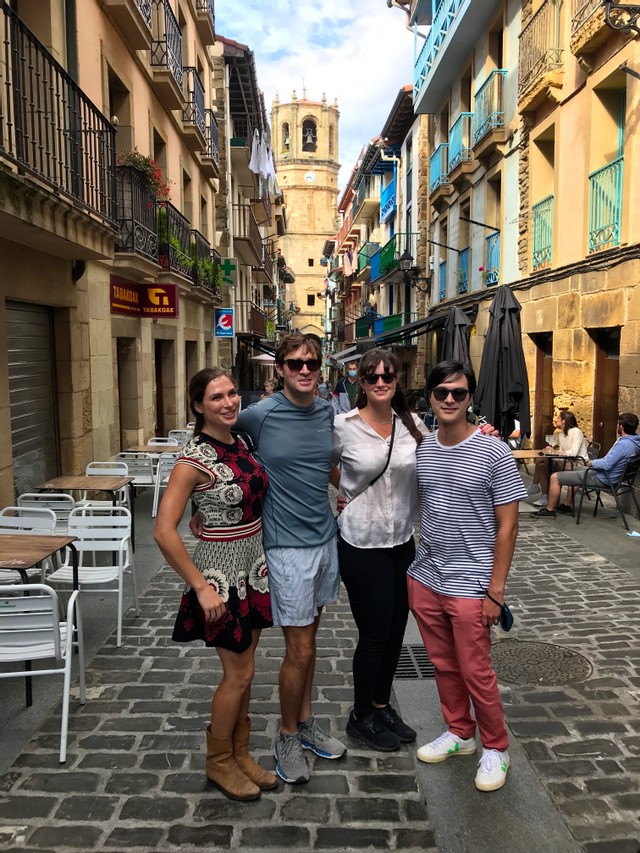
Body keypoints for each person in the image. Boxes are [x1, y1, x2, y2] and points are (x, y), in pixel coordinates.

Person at [154, 368, 276, 801]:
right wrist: (201, 587)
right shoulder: (193, 460)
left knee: (246, 672)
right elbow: (163, 531)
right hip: (221, 577)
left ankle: (240, 754)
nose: (228, 403)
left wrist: (207, 513)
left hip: (253, 570)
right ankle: (219, 761)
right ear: (198, 406)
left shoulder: (238, 441)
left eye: (230, 394)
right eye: (216, 397)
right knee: (237, 674)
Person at [407, 360, 527, 793]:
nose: (451, 400)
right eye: (442, 392)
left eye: (459, 393)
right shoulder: (423, 448)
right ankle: (459, 732)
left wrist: (495, 592)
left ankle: (496, 746)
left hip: (472, 585)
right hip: (426, 578)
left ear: (470, 398)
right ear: (431, 398)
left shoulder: (494, 451)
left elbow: (509, 526)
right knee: (442, 665)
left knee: (476, 670)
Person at [235, 333, 346, 785]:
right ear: (279, 368)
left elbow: (337, 461)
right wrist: (209, 510)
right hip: (285, 548)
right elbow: (211, 443)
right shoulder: (259, 415)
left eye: (312, 363)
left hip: (325, 541)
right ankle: (285, 734)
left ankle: (304, 723)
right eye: (295, 363)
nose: (305, 370)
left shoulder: (327, 412)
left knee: (310, 645)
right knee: (298, 648)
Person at [332, 349, 428, 751]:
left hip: (402, 541)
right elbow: (324, 464)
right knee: (373, 634)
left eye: (388, 376)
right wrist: (345, 492)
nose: (381, 382)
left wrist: (486, 436)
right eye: (372, 377)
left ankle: (381, 704)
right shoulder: (343, 426)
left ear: (396, 380)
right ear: (362, 382)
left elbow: (443, 453)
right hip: (361, 541)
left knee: (394, 633)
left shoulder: (414, 424)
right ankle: (360, 716)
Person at [534, 412, 640, 518]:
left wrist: (592, 462)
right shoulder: (634, 442)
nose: (616, 426)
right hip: (607, 476)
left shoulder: (623, 445)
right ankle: (566, 506)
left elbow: (606, 464)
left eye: (617, 424)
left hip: (602, 478)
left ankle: (549, 510)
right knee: (574, 469)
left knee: (555, 477)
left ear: (621, 427)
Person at [528, 411, 587, 509]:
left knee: (542, 460)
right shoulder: (562, 434)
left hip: (578, 463)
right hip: (567, 461)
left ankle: (535, 486)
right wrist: (553, 451)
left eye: (558, 418)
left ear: (564, 421)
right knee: (541, 464)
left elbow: (573, 452)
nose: (556, 420)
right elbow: (563, 452)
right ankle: (544, 496)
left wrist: (554, 452)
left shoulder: (576, 431)